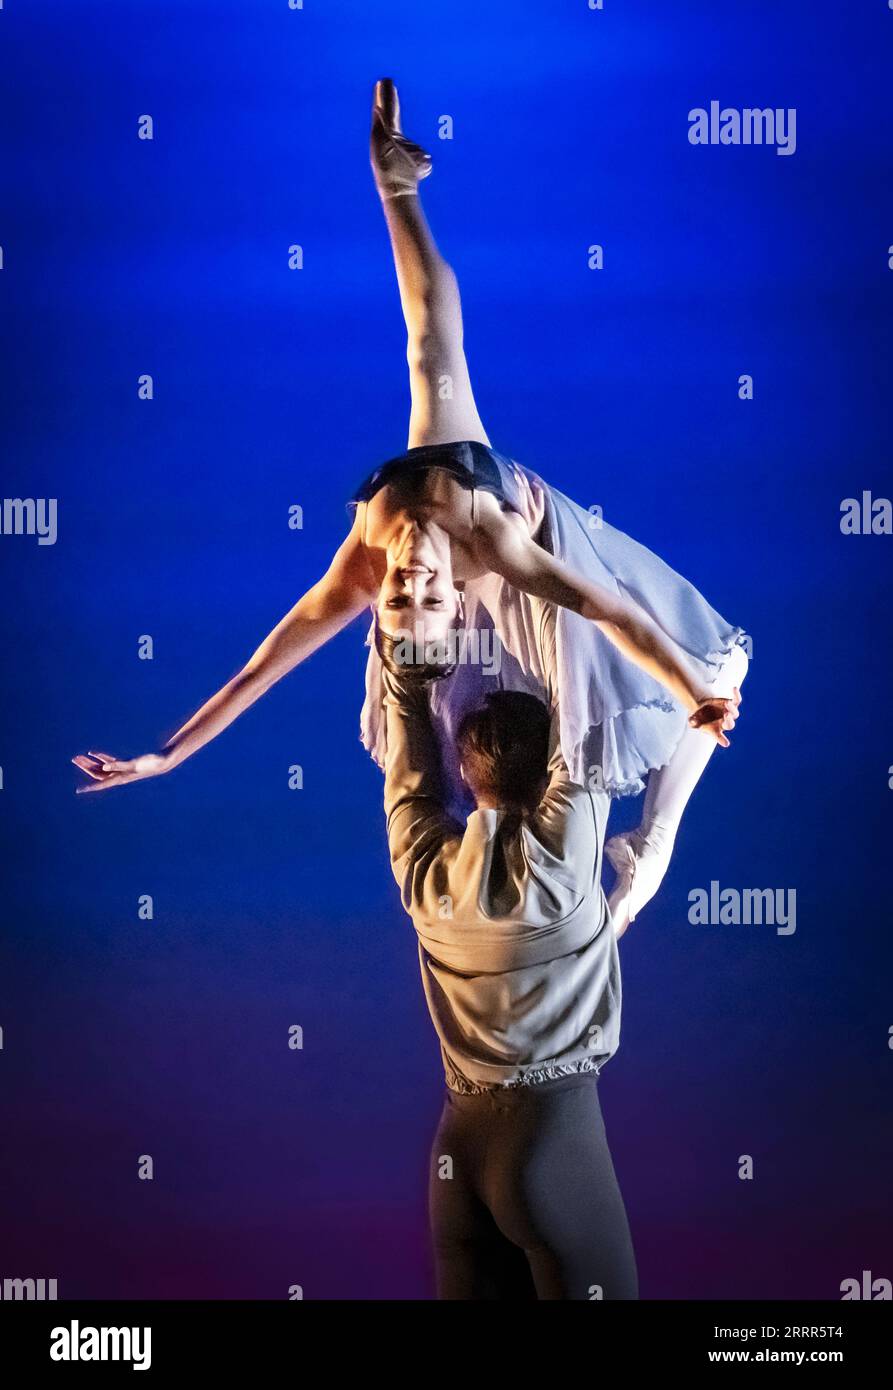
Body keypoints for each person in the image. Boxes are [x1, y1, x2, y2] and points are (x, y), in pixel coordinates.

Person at [73, 78, 745, 935]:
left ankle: (643, 852)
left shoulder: (368, 549)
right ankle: (579, 887)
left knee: (432, 357)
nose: (419, 583)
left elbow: (429, 320)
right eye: (431, 596)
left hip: (519, 574)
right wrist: (690, 689)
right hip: (541, 557)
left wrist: (396, 189)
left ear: (385, 589)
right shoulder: (483, 535)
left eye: (406, 595)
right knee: (688, 674)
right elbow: (610, 609)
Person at [382, 603, 636, 1299]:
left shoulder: (422, 871)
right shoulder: (560, 866)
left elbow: (405, 734)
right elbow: (588, 713)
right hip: (554, 1146)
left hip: (456, 1160)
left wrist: (407, 614)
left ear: (462, 775)